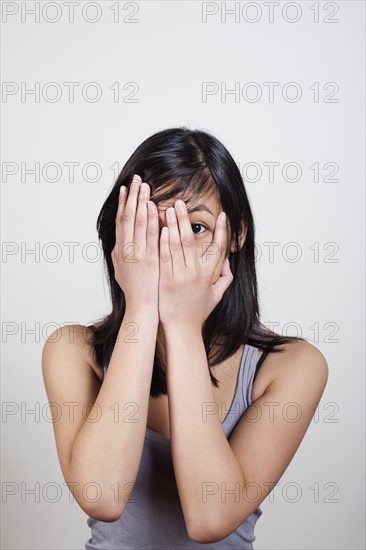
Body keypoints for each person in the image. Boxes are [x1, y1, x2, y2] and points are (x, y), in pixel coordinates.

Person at [41, 127, 329, 549]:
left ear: (238, 235)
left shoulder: (292, 366)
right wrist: (141, 308)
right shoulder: (73, 350)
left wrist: (181, 327)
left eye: (195, 227)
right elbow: (101, 497)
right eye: (149, 227)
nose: (169, 248)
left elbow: (211, 518)